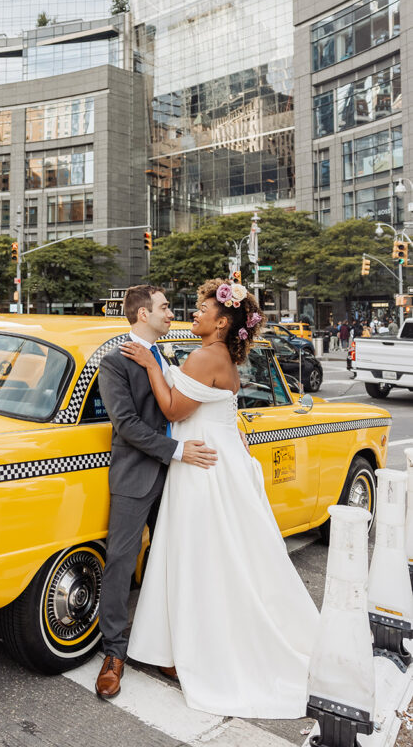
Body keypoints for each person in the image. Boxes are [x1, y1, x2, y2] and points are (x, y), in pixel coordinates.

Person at [123, 278, 319, 718]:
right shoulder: (220, 356)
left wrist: (153, 367)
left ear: (222, 321)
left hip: (203, 467)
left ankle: (188, 649)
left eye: (200, 310)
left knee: (198, 556)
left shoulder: (204, 356)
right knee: (222, 558)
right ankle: (181, 646)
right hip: (218, 460)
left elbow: (173, 409)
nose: (193, 314)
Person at [94, 285, 218, 700]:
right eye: (165, 308)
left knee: (171, 560)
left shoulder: (165, 356)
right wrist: (179, 450)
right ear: (143, 313)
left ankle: (165, 647)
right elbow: (126, 425)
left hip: (175, 477)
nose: (171, 313)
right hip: (136, 475)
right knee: (120, 562)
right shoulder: (114, 362)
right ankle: (114, 653)